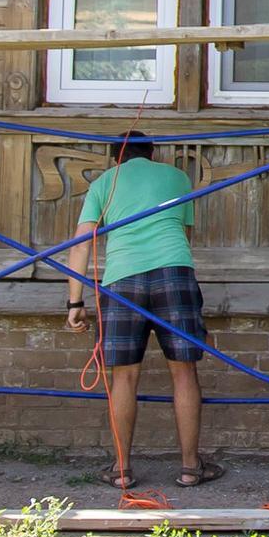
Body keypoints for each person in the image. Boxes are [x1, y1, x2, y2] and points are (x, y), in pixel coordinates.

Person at [68, 131, 218, 490]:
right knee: (184, 373)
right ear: (152, 153)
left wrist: (75, 302)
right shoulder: (177, 177)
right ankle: (189, 468)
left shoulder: (104, 182)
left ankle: (121, 471)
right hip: (174, 273)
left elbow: (80, 245)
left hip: (122, 282)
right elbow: (184, 233)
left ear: (114, 157)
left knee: (124, 378)